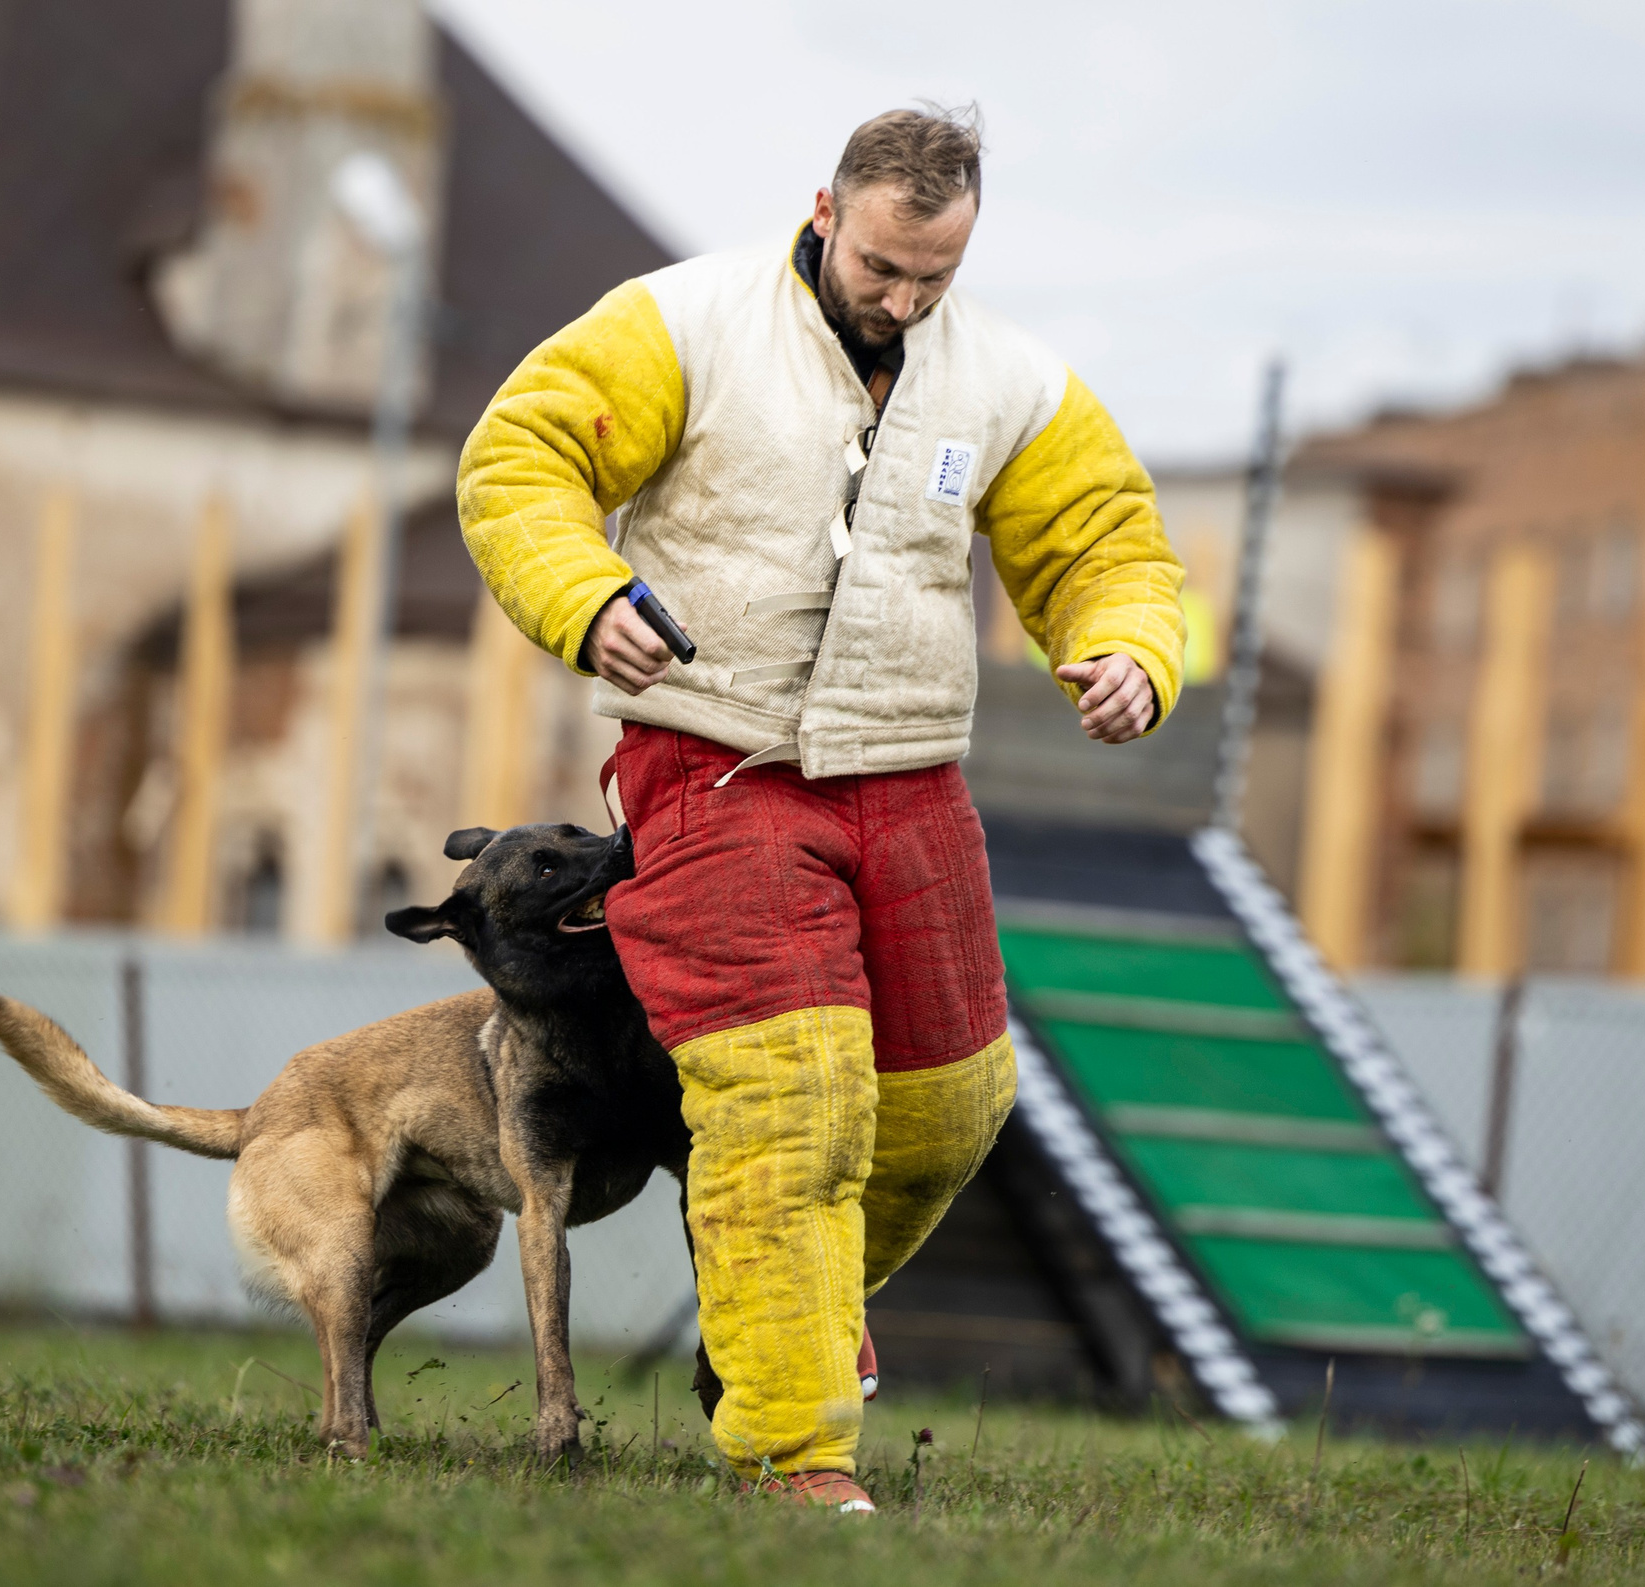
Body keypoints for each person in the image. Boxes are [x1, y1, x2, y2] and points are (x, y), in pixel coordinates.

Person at [458, 105, 1185, 1510]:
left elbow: (1104, 541)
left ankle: (770, 1327)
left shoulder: (1013, 382)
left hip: (910, 774)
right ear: (825, 211)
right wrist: (584, 594)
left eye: (936, 277)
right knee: (791, 1105)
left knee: (948, 1107)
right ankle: (795, 1453)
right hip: (712, 761)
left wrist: (1131, 653)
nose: (905, 301)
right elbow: (521, 459)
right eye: (880, 270)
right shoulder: (680, 323)